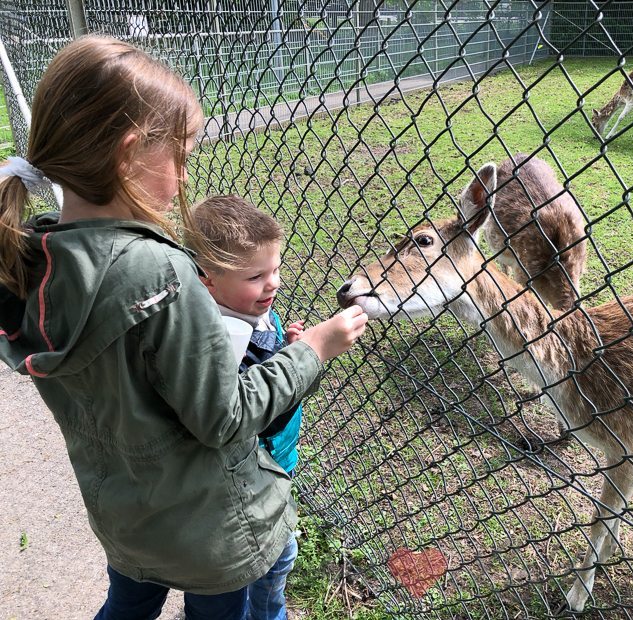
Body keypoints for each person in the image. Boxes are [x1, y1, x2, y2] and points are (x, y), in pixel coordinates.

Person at [0, 35, 368, 620]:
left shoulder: (31, 256)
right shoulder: (160, 272)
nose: (186, 174)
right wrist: (315, 351)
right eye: (183, 155)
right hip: (208, 534)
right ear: (128, 155)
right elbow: (223, 418)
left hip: (124, 516)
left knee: (126, 606)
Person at [187, 195, 306, 619]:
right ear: (208, 281)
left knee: (273, 567)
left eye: (275, 269)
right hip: (245, 482)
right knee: (267, 569)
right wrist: (300, 364)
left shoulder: (251, 307)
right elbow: (258, 415)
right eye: (257, 275)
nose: (272, 283)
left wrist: (288, 351)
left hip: (273, 469)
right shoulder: (221, 342)